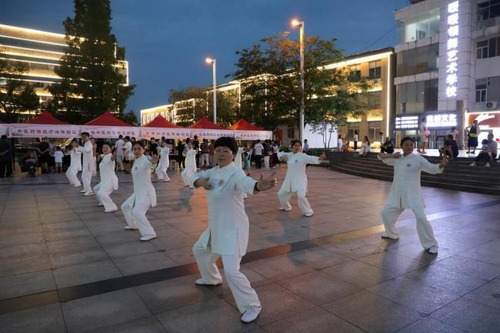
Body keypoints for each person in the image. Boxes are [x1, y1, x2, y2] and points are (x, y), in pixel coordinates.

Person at [188, 137, 276, 324]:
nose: (220, 153)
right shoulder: (213, 172)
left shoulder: (235, 174)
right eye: (218, 149)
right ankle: (211, 279)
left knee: (232, 271)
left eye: (225, 151)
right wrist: (199, 182)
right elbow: (191, 176)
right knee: (200, 250)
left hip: (233, 228)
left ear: (233, 154)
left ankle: (252, 305)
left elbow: (247, 183)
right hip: (216, 226)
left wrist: (259, 186)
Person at [378, 137, 448, 254]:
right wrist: (391, 156)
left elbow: (432, 168)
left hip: (413, 195)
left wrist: (441, 165)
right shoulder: (397, 158)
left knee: (421, 218)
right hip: (397, 194)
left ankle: (431, 244)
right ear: (401, 146)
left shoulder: (418, 159)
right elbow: (380, 156)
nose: (409, 147)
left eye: (411, 145)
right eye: (406, 145)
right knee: (385, 213)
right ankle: (392, 234)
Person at [277, 139, 326, 217]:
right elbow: (279, 154)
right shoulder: (289, 155)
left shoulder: (303, 156)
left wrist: (319, 158)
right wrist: (282, 157)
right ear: (292, 147)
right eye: (295, 145)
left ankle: (308, 211)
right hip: (289, 180)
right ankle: (286, 207)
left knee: (301, 196)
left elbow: (312, 159)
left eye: (299, 146)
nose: (297, 147)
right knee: (281, 194)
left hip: (300, 180)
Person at [121, 141, 159, 241]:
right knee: (125, 207)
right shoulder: (136, 160)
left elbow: (151, 166)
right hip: (137, 192)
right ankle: (133, 225)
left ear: (144, 150)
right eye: (135, 149)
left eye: (139, 149)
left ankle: (150, 233)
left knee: (137, 212)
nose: (137, 151)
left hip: (147, 192)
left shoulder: (145, 160)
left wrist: (154, 163)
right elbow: (128, 166)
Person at [93, 143, 119, 213]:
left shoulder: (110, 157)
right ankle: (102, 202)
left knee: (101, 192)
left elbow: (112, 158)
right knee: (96, 189)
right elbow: (100, 156)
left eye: (107, 148)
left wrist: (115, 155)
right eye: (103, 148)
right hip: (104, 181)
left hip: (110, 180)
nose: (105, 149)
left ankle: (112, 207)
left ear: (110, 149)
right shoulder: (104, 156)